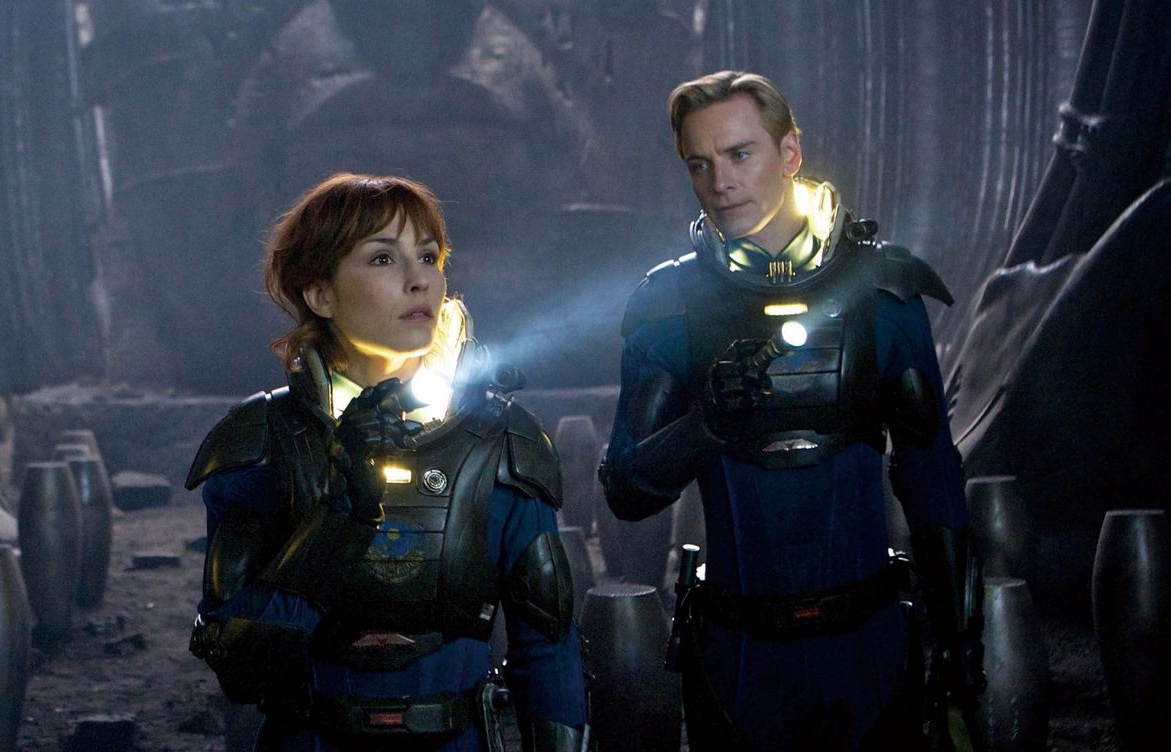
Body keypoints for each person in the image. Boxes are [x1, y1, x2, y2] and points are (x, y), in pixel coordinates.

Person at [599, 71, 985, 750]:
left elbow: (933, 482)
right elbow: (627, 492)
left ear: (789, 154)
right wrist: (705, 426)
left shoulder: (884, 291)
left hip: (869, 651)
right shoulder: (667, 306)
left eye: (739, 154)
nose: (720, 181)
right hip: (739, 662)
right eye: (699, 163)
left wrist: (959, 640)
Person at [186, 174, 587, 752]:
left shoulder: (500, 439)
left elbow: (550, 655)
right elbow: (242, 670)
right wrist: (342, 511)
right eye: (382, 258)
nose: (418, 278)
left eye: (428, 256)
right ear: (320, 294)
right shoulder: (265, 443)